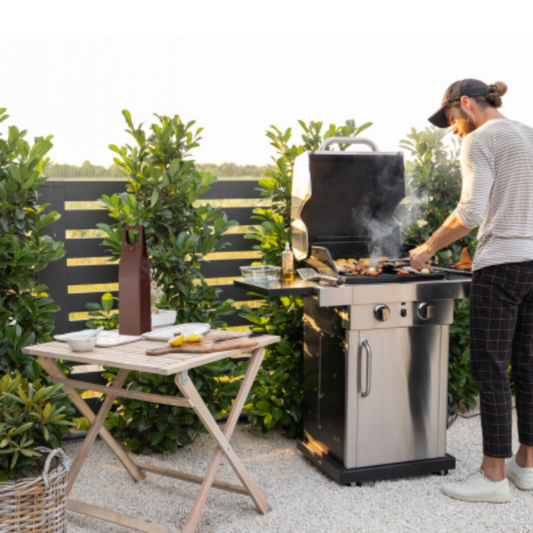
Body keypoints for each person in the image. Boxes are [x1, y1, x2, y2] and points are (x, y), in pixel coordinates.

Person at [410, 79, 533, 503]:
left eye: (451, 121)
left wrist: (426, 249)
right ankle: (526, 465)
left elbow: (470, 212)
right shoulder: (529, 134)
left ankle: (493, 477)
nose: (453, 130)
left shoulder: (479, 140)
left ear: (465, 105)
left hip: (501, 265)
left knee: (491, 367)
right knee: (528, 364)